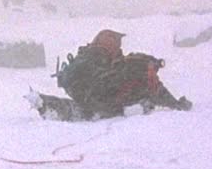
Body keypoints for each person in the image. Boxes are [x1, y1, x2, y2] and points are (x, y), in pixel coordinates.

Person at [33, 29, 191, 120]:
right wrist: (175, 104)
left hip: (87, 94)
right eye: (117, 43)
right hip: (99, 97)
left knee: (140, 87)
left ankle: (60, 107)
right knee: (145, 83)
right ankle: (128, 109)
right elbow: (148, 81)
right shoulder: (110, 58)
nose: (119, 46)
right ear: (110, 42)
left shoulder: (91, 55)